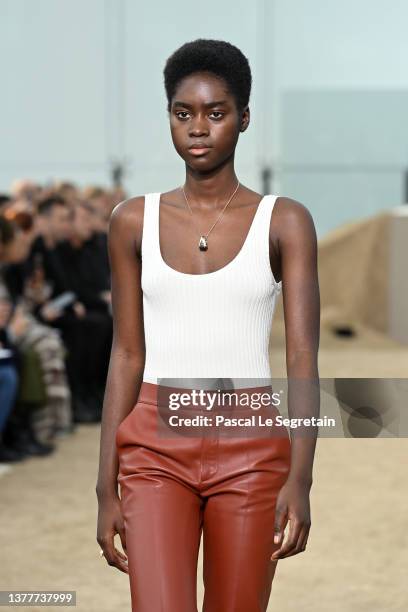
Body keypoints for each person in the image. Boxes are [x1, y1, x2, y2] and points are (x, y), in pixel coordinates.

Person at [96, 38, 320, 612]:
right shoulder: (132, 221)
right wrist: (104, 486)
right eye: (183, 113)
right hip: (152, 447)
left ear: (243, 119)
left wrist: (302, 476)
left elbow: (302, 357)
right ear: (169, 118)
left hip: (252, 443)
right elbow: (125, 354)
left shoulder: (285, 220)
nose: (198, 128)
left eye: (216, 113)